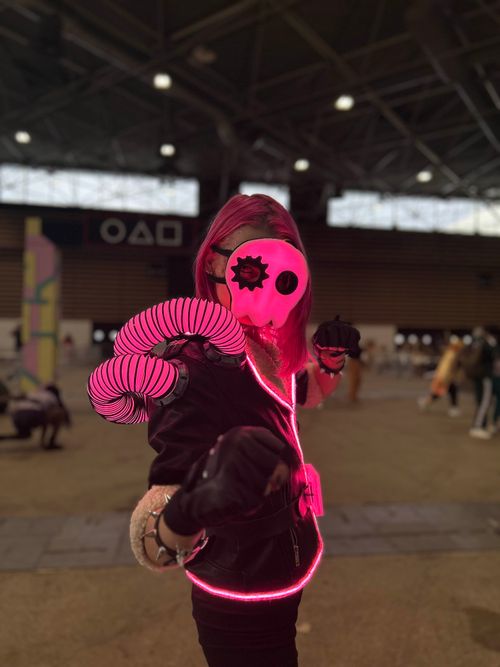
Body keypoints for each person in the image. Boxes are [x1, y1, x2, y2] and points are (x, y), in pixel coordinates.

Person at [88, 194, 361, 667]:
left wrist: (331, 362)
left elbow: (307, 393)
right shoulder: (194, 363)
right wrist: (196, 504)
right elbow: (158, 530)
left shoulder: (267, 347)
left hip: (286, 562)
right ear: (214, 262)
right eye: (251, 267)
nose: (266, 288)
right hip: (238, 583)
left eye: (284, 274)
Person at [0, 383, 71, 449]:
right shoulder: (51, 396)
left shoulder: (32, 393)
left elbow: (17, 398)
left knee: (25, 435)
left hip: (17, 417)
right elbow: (49, 415)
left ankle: (3, 437)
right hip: (33, 414)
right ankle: (51, 442)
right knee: (58, 414)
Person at [461, 326, 495, 439]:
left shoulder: (475, 344)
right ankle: (478, 426)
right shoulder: (486, 344)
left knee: (481, 401)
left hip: (478, 375)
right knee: (484, 402)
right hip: (484, 376)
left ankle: (480, 425)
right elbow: (493, 355)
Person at [418, 338, 464, 417]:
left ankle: (426, 402)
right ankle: (453, 408)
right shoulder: (452, 354)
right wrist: (446, 378)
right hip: (445, 377)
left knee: (443, 392)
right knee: (445, 392)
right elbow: (448, 368)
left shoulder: (450, 353)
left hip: (444, 376)